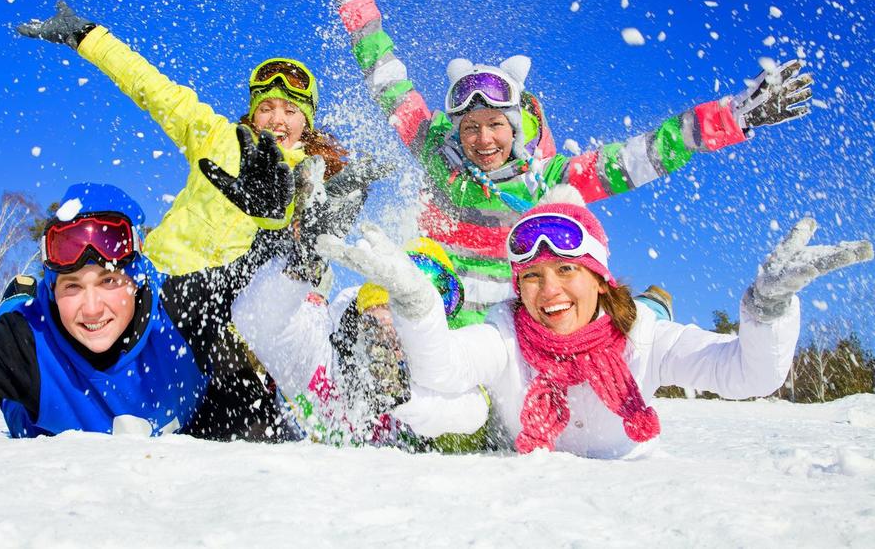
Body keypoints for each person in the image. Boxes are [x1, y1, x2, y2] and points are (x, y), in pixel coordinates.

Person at [317, 0, 814, 328]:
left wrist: (730, 119)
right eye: (470, 128)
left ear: (516, 128)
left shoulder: (548, 176)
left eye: (495, 126)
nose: (482, 139)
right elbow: (389, 82)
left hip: (521, 301)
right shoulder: (435, 151)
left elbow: (639, 157)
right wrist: (353, 4)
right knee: (398, 281)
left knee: (589, 324)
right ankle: (382, 364)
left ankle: (648, 311)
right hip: (447, 287)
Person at [317, 187, 872, 459]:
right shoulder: (507, 331)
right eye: (531, 277)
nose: (549, 289)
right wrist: (416, 300)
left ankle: (653, 298)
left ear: (600, 277)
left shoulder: (644, 342)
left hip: (629, 322)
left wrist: (767, 313)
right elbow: (444, 367)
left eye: (565, 270)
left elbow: (750, 377)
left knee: (647, 313)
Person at [0, 129, 301, 439]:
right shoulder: (21, 344)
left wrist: (275, 225)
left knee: (240, 391)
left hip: (184, 431)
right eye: (72, 287)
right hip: (27, 380)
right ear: (53, 287)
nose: (92, 309)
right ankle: (18, 296)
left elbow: (266, 278)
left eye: (108, 281)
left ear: (137, 274)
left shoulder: (178, 307)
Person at [16, 0, 364, 278]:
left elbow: (307, 265)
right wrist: (86, 36)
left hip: (225, 318)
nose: (276, 120)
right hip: (153, 280)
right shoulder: (217, 136)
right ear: (253, 112)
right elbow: (151, 88)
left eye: (290, 111)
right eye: (267, 108)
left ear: (307, 122)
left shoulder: (309, 181)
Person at [230, 236, 488, 451]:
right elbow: (257, 319)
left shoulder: (431, 384)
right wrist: (300, 264)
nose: (399, 333)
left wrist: (404, 398)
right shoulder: (318, 345)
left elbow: (472, 413)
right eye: (389, 311)